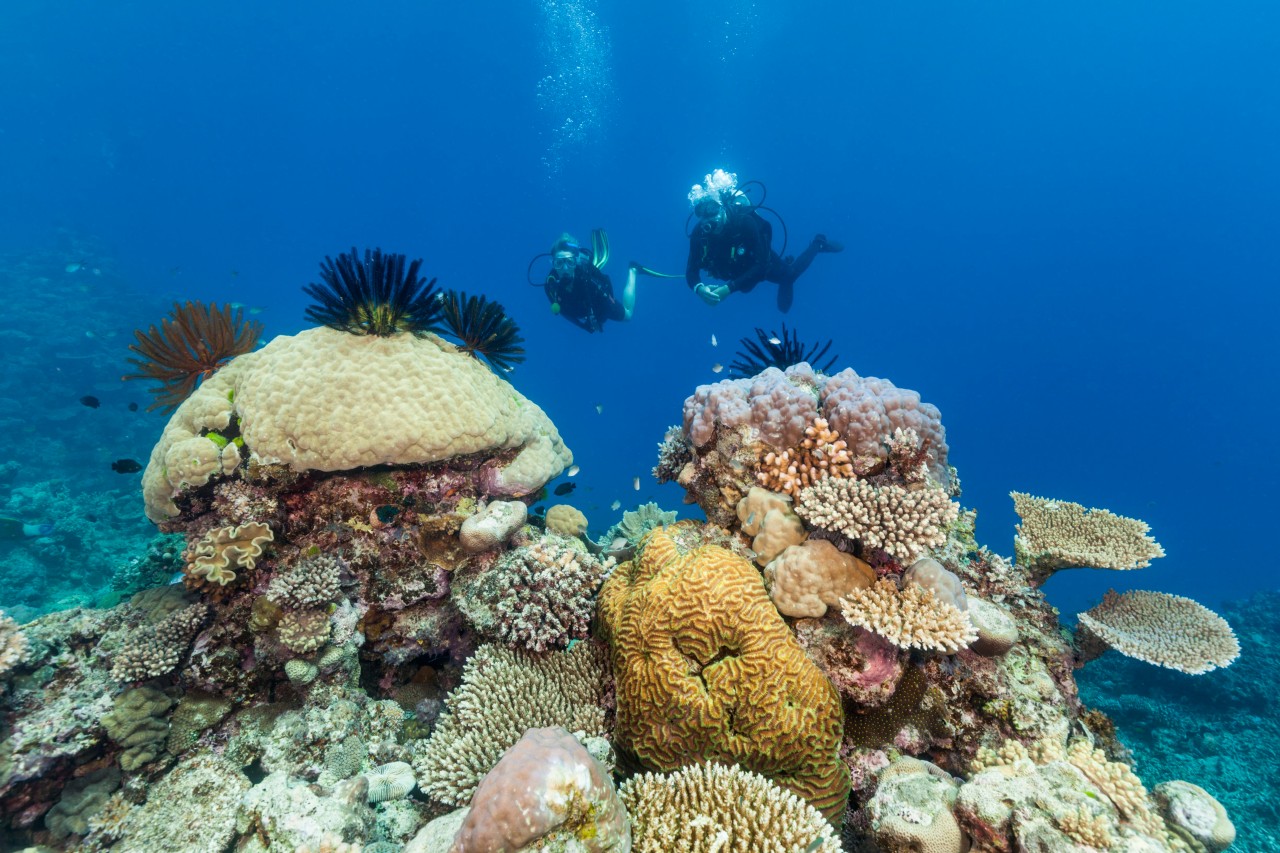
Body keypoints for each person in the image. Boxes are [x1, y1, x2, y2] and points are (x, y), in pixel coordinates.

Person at [685, 169, 843, 313]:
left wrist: (729, 288)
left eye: (713, 211)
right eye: (703, 216)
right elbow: (691, 270)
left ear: (722, 208)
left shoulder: (745, 223)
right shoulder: (699, 233)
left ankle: (818, 243)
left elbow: (762, 265)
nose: (708, 220)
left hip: (756, 262)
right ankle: (785, 263)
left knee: (789, 276)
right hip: (735, 271)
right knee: (746, 287)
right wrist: (699, 289)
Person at [542, 230, 638, 333]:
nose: (565, 268)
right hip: (581, 310)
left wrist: (599, 320)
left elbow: (608, 292)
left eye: (570, 262)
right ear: (553, 264)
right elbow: (563, 311)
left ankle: (633, 270)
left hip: (598, 305)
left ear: (575, 262)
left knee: (628, 316)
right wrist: (582, 326)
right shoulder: (551, 285)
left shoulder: (588, 281)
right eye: (559, 263)